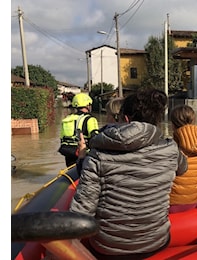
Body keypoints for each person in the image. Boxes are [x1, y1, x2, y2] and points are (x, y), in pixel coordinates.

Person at [70, 88, 188, 259]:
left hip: (109, 247)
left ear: (125, 119)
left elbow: (83, 208)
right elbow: (183, 169)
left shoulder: (98, 154)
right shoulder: (170, 149)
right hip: (156, 241)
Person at [169, 104, 197, 213]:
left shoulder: (170, 148)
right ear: (193, 121)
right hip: (193, 202)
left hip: (171, 203)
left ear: (173, 125)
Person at [58, 92, 99, 167]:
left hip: (69, 154)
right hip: (83, 154)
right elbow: (96, 139)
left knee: (72, 173)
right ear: (87, 105)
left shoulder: (66, 119)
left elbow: (62, 139)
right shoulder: (90, 119)